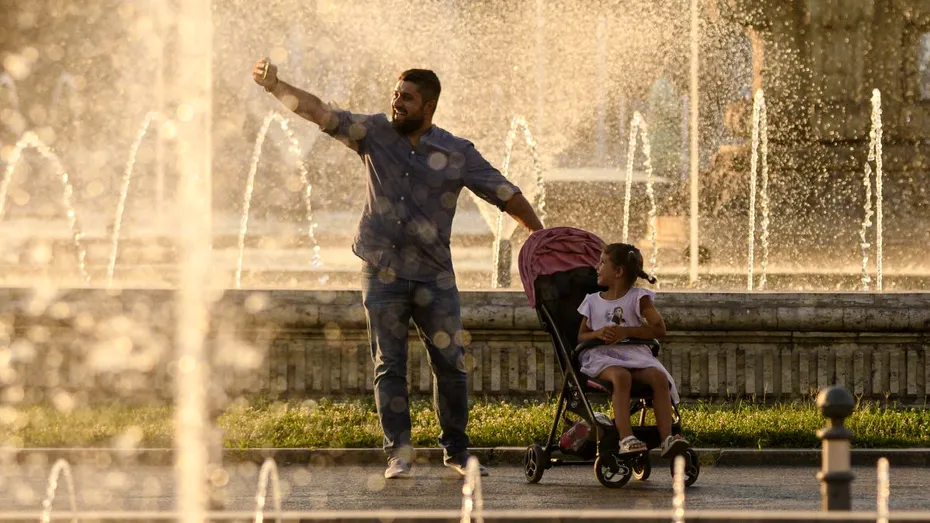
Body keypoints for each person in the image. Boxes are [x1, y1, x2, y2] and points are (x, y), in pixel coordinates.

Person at [252, 59, 544, 479]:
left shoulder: (456, 152)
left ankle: (457, 452)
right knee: (389, 365)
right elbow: (318, 112)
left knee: (452, 364)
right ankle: (399, 453)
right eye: (396, 95)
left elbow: (505, 194)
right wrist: (275, 85)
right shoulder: (374, 133)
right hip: (381, 270)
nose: (397, 102)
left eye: (406, 98)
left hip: (434, 275)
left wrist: (540, 237)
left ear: (429, 105)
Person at [576, 243, 690, 458]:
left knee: (658, 377)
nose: (596, 266)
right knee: (621, 376)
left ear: (618, 272)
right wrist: (598, 334)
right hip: (603, 356)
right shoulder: (592, 301)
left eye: (602, 263)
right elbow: (581, 336)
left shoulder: (639, 297)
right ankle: (626, 437)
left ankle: (667, 438)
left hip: (633, 354)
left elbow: (659, 329)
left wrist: (626, 331)